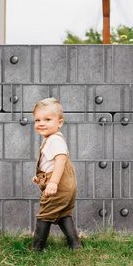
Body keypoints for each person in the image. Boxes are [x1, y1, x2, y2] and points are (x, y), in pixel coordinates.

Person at [31, 97, 81, 251]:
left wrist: (52, 182)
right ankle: (75, 244)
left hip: (59, 186)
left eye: (47, 119)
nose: (41, 123)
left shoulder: (54, 140)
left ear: (59, 122)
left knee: (45, 215)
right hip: (66, 186)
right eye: (37, 120)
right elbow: (50, 164)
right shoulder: (52, 139)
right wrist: (41, 178)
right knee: (63, 214)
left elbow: (60, 161)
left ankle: (36, 248)